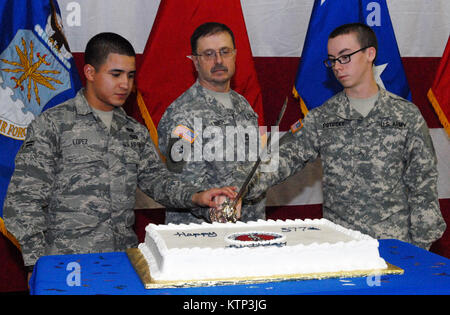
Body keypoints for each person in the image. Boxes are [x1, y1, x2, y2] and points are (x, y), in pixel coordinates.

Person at [3, 32, 237, 271]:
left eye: (130, 75)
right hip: (67, 264)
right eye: (116, 74)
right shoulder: (53, 125)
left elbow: (159, 181)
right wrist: (39, 265)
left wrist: (197, 196)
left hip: (123, 263)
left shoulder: (133, 131)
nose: (125, 84)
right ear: (90, 73)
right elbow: (21, 202)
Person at [245, 23, 446, 250]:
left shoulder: (406, 115)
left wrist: (419, 250)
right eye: (332, 60)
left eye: (345, 57)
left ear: (370, 53)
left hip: (395, 246)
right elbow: (277, 162)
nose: (338, 67)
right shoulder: (323, 117)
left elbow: (423, 185)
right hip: (341, 247)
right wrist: (235, 191)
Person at [157, 22, 265, 224]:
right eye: (208, 54)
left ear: (234, 55)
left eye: (225, 51)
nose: (218, 60)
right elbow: (180, 184)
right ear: (196, 62)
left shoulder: (244, 106)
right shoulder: (181, 115)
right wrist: (219, 207)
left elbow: (256, 169)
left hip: (247, 230)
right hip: (201, 237)